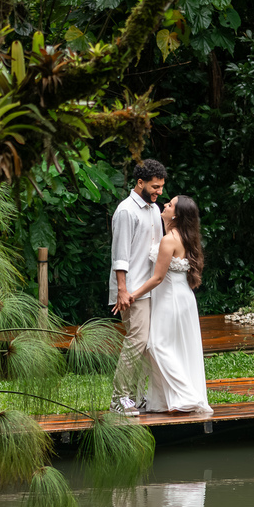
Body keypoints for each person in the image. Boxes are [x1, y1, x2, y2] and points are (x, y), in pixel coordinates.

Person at [118, 195, 212, 416]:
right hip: (183, 298)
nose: (165, 205)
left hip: (170, 299)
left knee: (157, 345)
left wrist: (132, 294)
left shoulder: (169, 240)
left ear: (176, 215)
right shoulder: (185, 237)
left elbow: (158, 278)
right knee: (175, 348)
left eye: (169, 205)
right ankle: (164, 401)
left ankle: (187, 396)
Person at [108, 159, 167, 416]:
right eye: (155, 186)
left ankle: (137, 397)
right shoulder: (125, 211)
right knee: (137, 342)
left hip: (152, 289)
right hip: (132, 292)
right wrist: (122, 290)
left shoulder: (154, 209)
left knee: (147, 345)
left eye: (162, 187)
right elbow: (120, 255)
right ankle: (119, 399)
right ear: (140, 183)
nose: (160, 192)